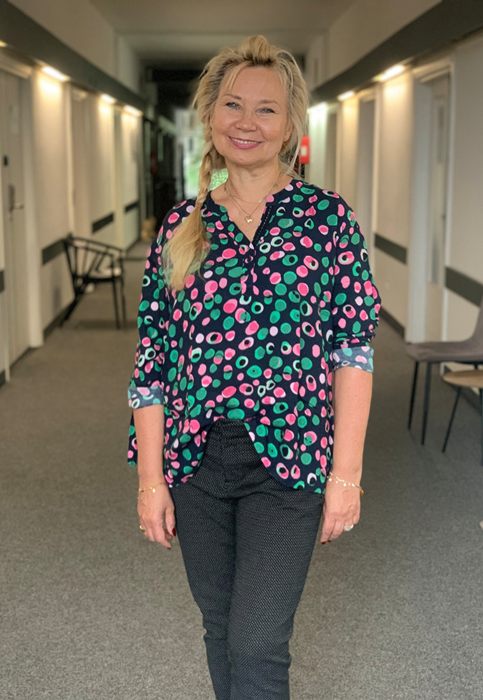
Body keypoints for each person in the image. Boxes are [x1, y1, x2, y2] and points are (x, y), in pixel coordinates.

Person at [127, 34, 381, 700]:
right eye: (233, 105)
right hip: (195, 464)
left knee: (257, 641)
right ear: (210, 116)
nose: (247, 122)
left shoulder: (326, 220)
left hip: (288, 463)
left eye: (266, 109)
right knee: (220, 629)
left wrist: (347, 477)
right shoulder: (181, 228)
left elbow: (352, 352)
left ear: (290, 125)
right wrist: (150, 481)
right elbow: (151, 363)